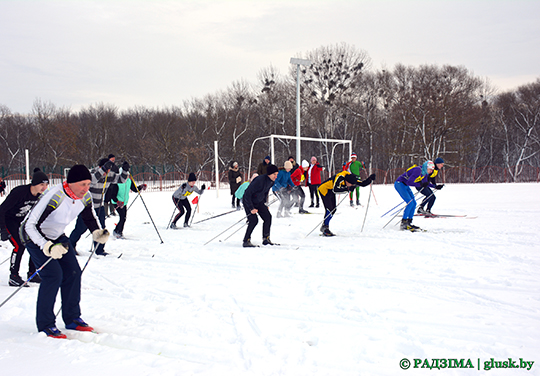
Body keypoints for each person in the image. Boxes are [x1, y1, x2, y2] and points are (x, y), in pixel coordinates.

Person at [21, 164, 110, 338]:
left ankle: (72, 318)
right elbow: (30, 225)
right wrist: (46, 246)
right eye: (82, 184)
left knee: (74, 272)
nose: (86, 188)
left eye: (88, 184)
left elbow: (89, 217)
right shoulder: (55, 195)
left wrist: (97, 232)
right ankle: (46, 324)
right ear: (70, 183)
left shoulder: (85, 197)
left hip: (57, 236)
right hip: (33, 236)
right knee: (53, 275)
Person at [69, 158, 129, 256]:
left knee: (101, 228)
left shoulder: (109, 175)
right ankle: (71, 246)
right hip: (87, 207)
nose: (107, 173)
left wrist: (125, 170)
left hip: (99, 207)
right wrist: (103, 170)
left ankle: (99, 249)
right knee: (80, 229)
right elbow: (92, 180)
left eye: (108, 170)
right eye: (105, 170)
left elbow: (121, 180)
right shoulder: (92, 173)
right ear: (100, 167)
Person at [0, 169, 49, 286]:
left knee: (34, 242)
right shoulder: (19, 192)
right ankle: (13, 276)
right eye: (41, 184)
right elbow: (1, 210)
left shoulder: (40, 196)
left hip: (20, 221)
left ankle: (32, 272)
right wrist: (2, 229)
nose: (44, 187)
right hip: (7, 220)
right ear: (34, 184)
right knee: (19, 245)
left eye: (46, 184)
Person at [318, 170, 375, 236]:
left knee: (333, 210)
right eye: (350, 184)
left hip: (331, 191)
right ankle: (325, 228)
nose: (351, 185)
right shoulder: (340, 178)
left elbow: (362, 183)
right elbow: (335, 189)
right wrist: (347, 189)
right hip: (324, 189)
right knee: (329, 209)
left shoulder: (351, 178)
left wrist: (370, 179)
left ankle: (325, 226)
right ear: (346, 181)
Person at [242, 164, 278, 247]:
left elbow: (265, 192)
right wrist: (251, 208)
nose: (276, 176)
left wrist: (265, 203)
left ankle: (266, 238)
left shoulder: (271, 181)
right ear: (269, 174)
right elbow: (247, 194)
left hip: (259, 201)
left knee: (268, 217)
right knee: (253, 220)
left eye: (277, 174)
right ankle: (246, 240)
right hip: (248, 201)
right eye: (274, 174)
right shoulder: (259, 180)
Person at [395, 161, 435, 231]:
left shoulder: (424, 173)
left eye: (432, 170)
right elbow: (409, 182)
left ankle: (409, 222)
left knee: (414, 203)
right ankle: (403, 223)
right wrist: (421, 184)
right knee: (410, 203)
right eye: (430, 169)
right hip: (400, 184)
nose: (431, 171)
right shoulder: (417, 170)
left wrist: (435, 186)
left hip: (405, 186)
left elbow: (425, 183)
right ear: (426, 167)